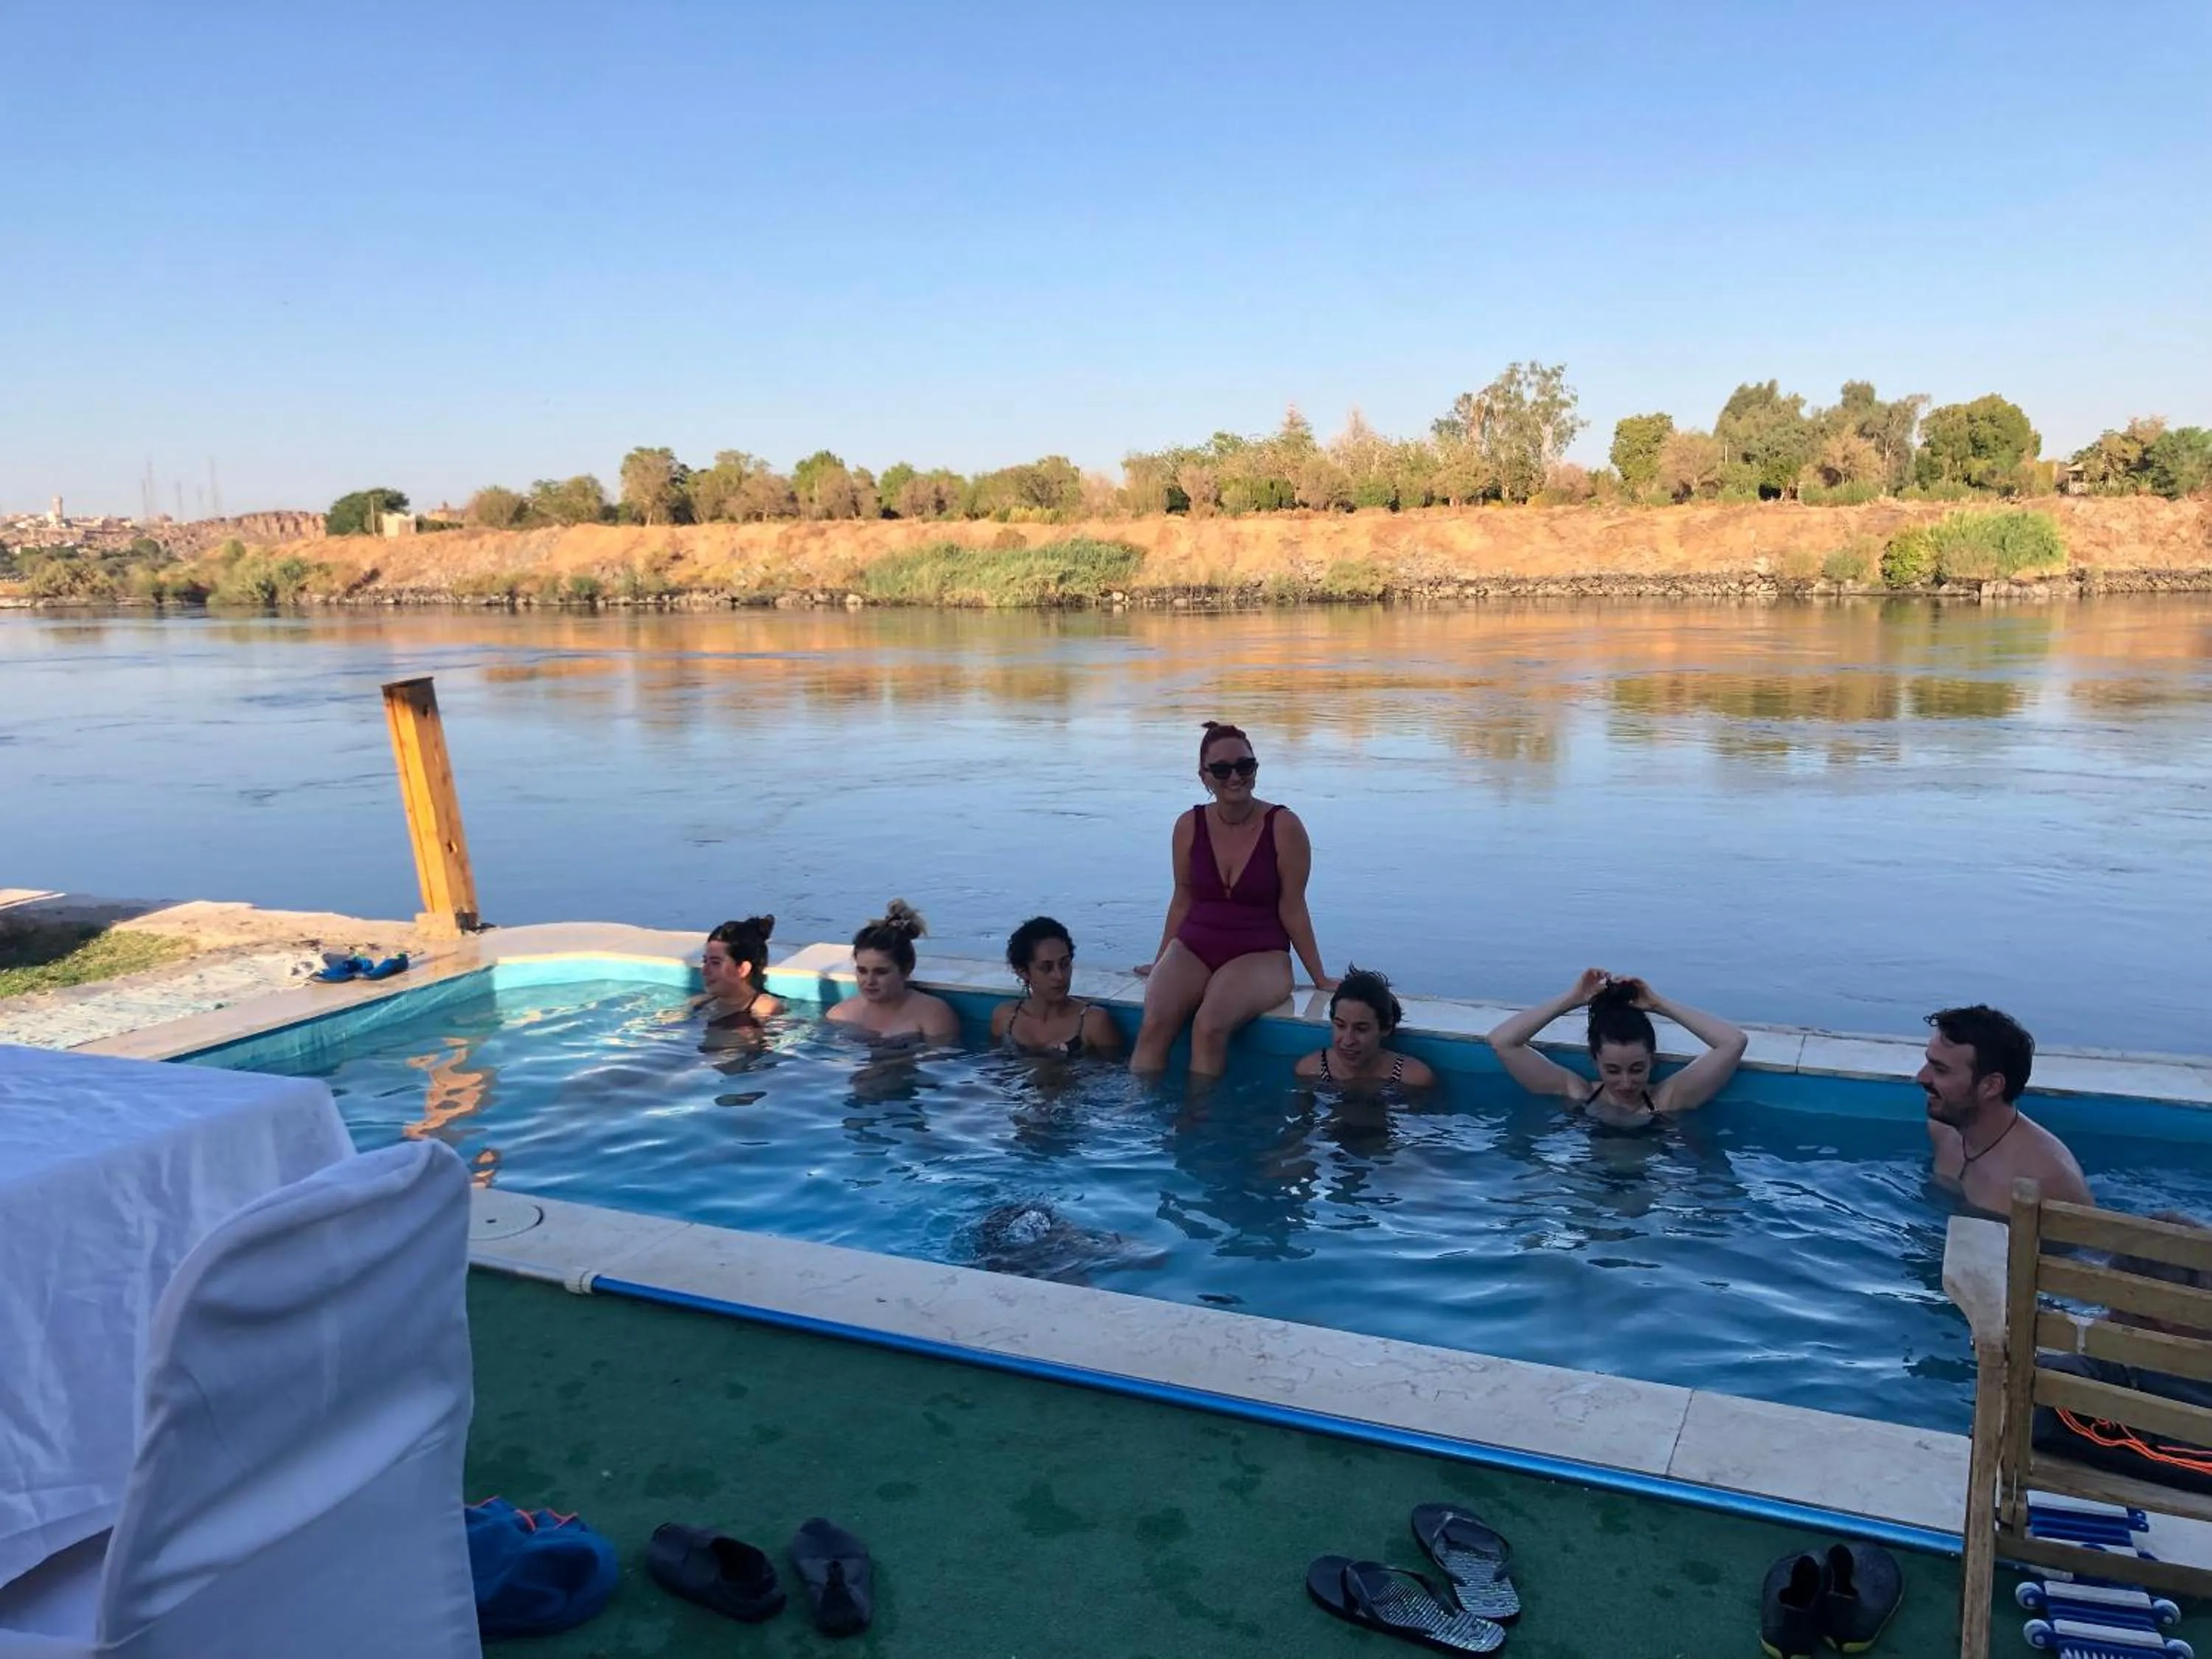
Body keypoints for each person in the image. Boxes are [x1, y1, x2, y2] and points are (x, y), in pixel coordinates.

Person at [1130, 721, 1334, 1077]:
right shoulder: (1188, 825)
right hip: (1194, 947)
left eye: (1245, 766)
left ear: (1256, 768)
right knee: (1154, 1025)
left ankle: (1201, 1123)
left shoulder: (1284, 827)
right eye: (1222, 769)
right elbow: (1182, 898)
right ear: (1204, 775)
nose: (1235, 777)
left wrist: (1319, 977)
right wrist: (1161, 959)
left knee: (1209, 1027)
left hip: (1261, 954)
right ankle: (1133, 1119)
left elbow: (1293, 906)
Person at [1488, 969, 1747, 1130]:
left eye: (1637, 1069)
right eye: (1612, 1070)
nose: (1626, 1083)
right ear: (1595, 1061)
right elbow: (1502, 1041)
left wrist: (1659, 1005)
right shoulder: (1577, 1092)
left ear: (1652, 1060)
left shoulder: (1666, 1101)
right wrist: (1573, 999)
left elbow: (1733, 1042)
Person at [1919, 1003, 2090, 1211]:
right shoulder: (1943, 1130)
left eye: (1941, 1070)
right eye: (1929, 1063)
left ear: (1991, 1086)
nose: (1921, 1077)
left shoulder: (2045, 1178)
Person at [826, 900, 960, 1043]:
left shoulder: (932, 1014)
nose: (869, 981)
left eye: (881, 972)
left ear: (906, 970)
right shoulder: (840, 1015)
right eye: (862, 971)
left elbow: (941, 1060)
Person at [990, 916, 1123, 1059]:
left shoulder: (1093, 1023)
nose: (1059, 976)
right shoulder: (1005, 1018)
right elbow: (993, 1071)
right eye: (1046, 968)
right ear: (1023, 972)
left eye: (1065, 964)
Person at [1295, 967, 1436, 1090]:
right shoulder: (1310, 1070)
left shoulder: (1413, 1078)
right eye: (1340, 1025)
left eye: (1361, 1029)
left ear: (1385, 1027)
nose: (1348, 1041)